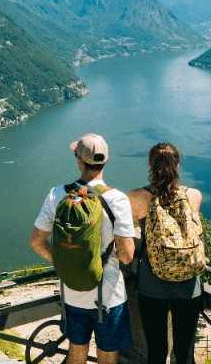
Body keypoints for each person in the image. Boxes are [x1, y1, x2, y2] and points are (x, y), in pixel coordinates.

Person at [31, 133, 136, 364]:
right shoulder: (117, 199)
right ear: (106, 161)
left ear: (79, 161)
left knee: (76, 353)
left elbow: (36, 242)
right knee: (107, 357)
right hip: (109, 297)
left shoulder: (58, 194)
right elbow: (127, 255)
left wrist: (67, 262)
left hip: (72, 294)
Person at [128, 143, 204, 364]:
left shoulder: (136, 197)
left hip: (152, 283)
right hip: (189, 284)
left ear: (150, 165)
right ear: (177, 165)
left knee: (157, 351)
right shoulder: (194, 196)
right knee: (185, 353)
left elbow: (132, 230)